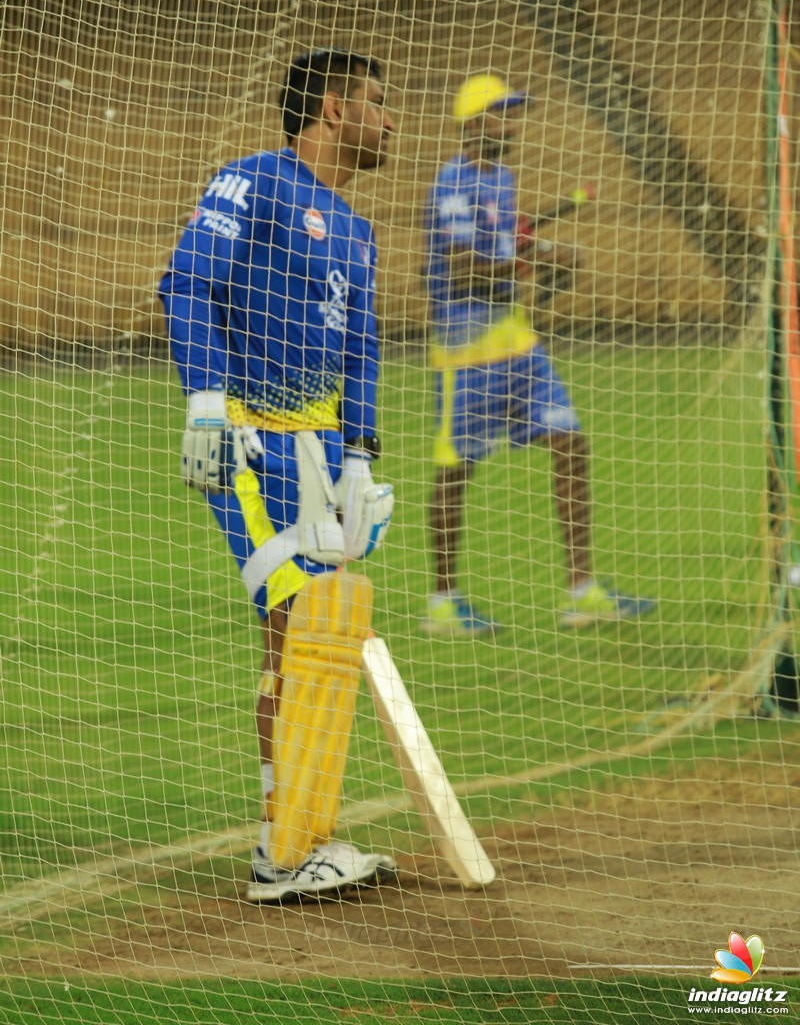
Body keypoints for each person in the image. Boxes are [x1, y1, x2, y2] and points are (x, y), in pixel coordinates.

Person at [159, 48, 398, 902]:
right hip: (253, 444)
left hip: (326, 454)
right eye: (377, 100)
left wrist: (362, 458)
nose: (390, 118)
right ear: (333, 109)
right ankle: (282, 857)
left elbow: (363, 348)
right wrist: (206, 406)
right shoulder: (252, 181)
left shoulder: (360, 229)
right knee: (300, 625)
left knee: (316, 639)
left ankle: (299, 837)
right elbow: (184, 284)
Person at [422, 73, 655, 636]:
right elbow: (464, 269)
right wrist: (531, 264)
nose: (514, 122)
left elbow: (508, 250)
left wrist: (547, 253)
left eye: (514, 111)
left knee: (570, 442)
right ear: (474, 123)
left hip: (519, 343)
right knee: (457, 471)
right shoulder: (455, 181)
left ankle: (582, 591)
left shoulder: (502, 178)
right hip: (467, 352)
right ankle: (443, 603)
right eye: (503, 112)